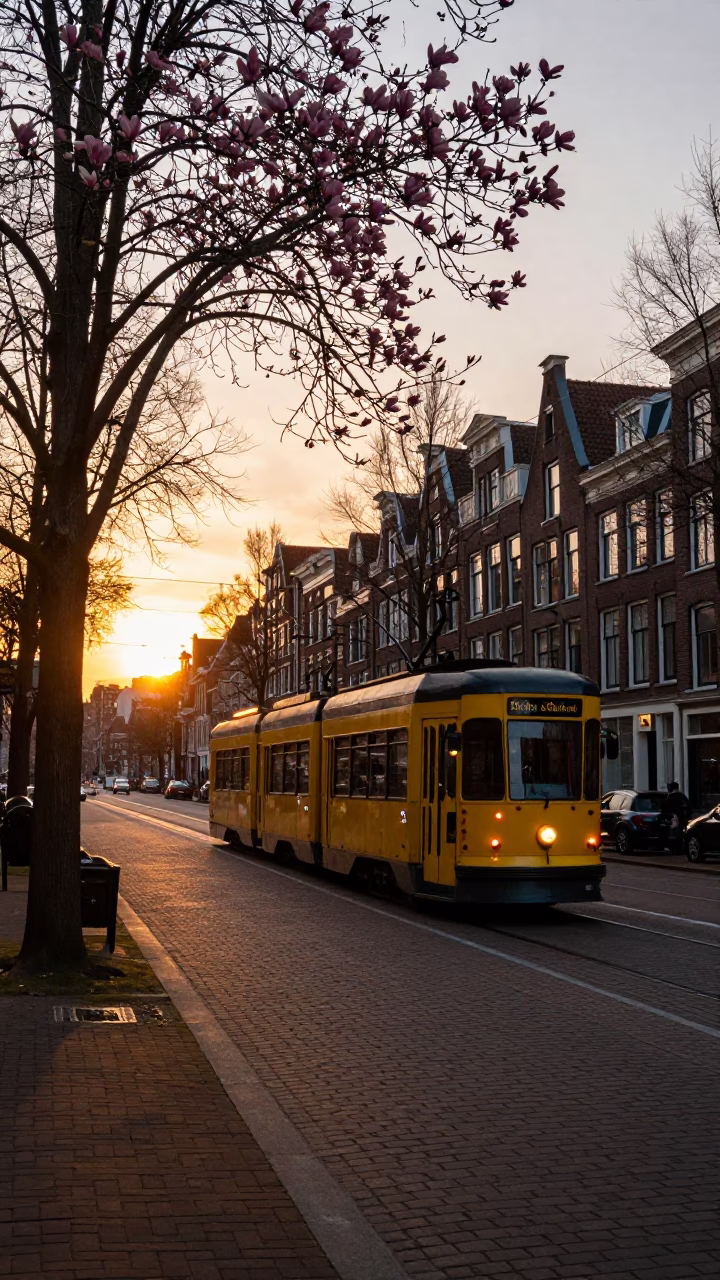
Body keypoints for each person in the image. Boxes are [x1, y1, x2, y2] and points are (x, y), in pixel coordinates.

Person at [662, 782, 691, 854]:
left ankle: (674, 848)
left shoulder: (670, 797)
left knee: (673, 834)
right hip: (682, 819)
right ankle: (681, 848)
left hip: (673, 819)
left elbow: (665, 808)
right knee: (681, 834)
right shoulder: (682, 796)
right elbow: (688, 807)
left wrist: (667, 816)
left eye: (668, 787)